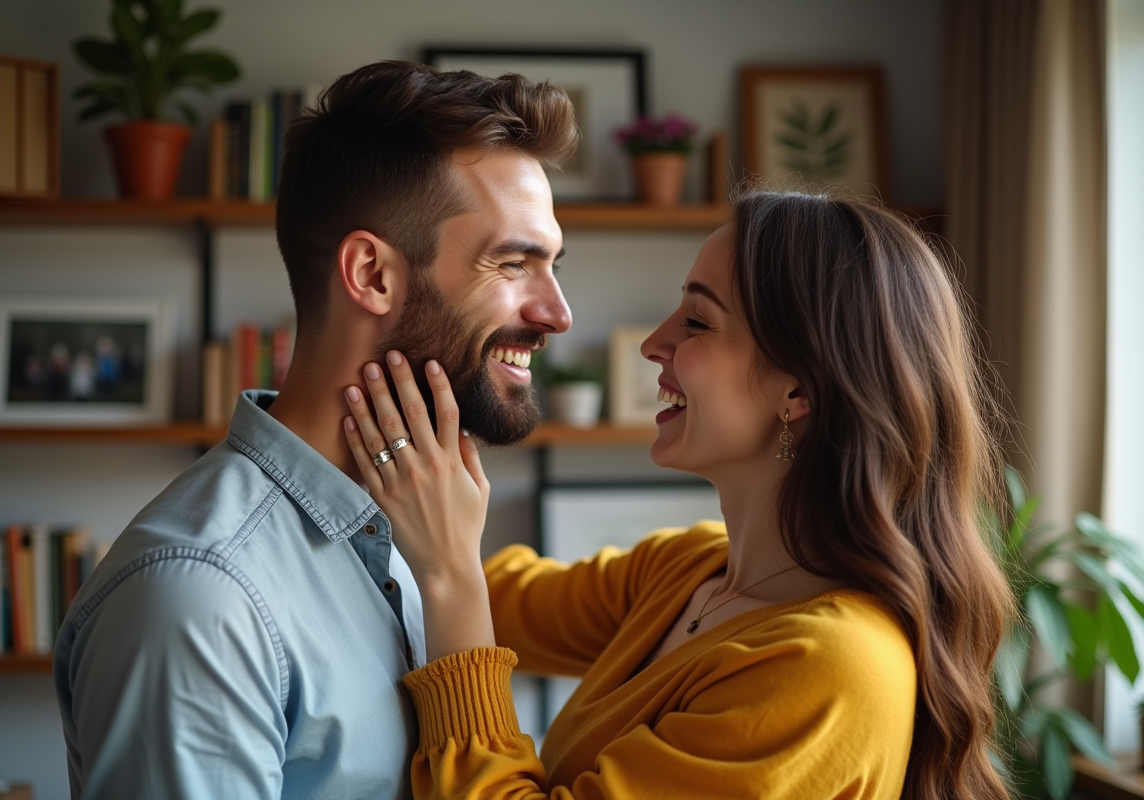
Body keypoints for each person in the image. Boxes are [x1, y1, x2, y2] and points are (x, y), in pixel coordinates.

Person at [344, 190, 1013, 800]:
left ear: (799, 391)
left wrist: (449, 571)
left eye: (696, 321)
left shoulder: (829, 670)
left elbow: (465, 592)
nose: (655, 343)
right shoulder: (692, 571)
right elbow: (506, 600)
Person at [52, 61, 576, 800]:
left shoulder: (413, 539)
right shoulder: (200, 597)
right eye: (514, 263)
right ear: (370, 273)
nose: (558, 313)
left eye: (552, 265)